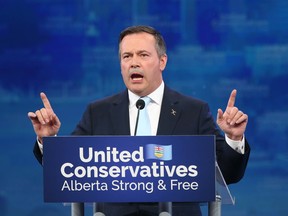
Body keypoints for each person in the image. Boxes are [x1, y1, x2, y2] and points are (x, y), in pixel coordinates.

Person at [28, 25, 250, 216]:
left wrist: (234, 138)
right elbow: (70, 170)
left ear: (162, 61)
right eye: (127, 56)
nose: (134, 63)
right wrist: (48, 141)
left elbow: (227, 174)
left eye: (143, 55)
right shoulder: (98, 112)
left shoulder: (194, 110)